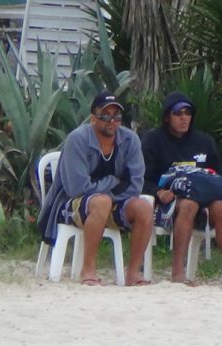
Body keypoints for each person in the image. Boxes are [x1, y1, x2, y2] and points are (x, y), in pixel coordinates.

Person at [37, 91, 153, 286]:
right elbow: (77, 187)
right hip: (69, 203)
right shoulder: (78, 139)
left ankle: (133, 273)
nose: (111, 121)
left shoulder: (130, 140)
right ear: (93, 118)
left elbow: (135, 184)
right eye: (105, 115)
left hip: (114, 202)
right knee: (101, 202)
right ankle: (88, 269)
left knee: (143, 207)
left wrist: (109, 193)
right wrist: (113, 181)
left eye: (116, 116)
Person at [142, 92, 222, 285]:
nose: (184, 117)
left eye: (188, 112)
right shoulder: (153, 140)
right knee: (188, 205)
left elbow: (218, 175)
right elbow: (142, 179)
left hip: (204, 197)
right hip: (168, 204)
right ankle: (178, 272)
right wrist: (158, 192)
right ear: (167, 117)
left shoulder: (204, 141)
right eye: (178, 113)